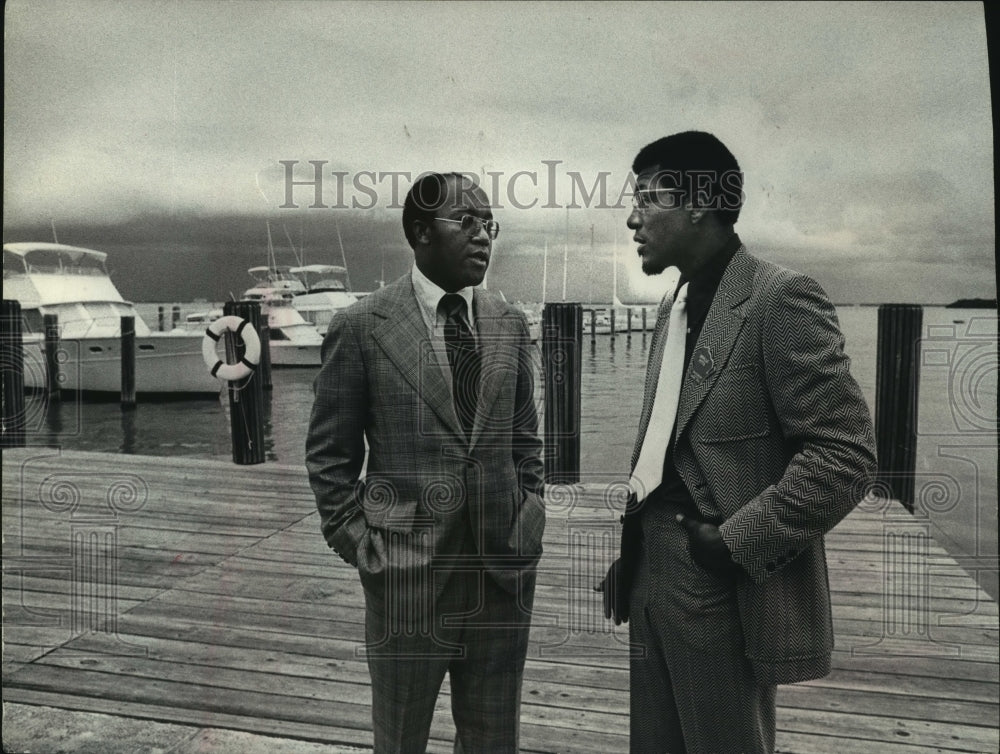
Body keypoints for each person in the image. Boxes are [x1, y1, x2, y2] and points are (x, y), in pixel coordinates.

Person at [599, 132, 876, 753]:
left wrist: (733, 546)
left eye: (647, 196)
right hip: (653, 575)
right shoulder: (678, 301)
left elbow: (846, 455)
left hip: (719, 584)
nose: (632, 215)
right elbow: (669, 449)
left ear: (698, 202)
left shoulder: (780, 299)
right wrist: (636, 555)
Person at [306, 172, 545, 753]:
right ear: (419, 233)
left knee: (493, 741)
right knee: (400, 738)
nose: (484, 236)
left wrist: (528, 517)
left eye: (490, 224)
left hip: (501, 573)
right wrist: (367, 549)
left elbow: (527, 446)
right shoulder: (362, 328)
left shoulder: (509, 323)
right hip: (406, 581)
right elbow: (329, 457)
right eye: (467, 222)